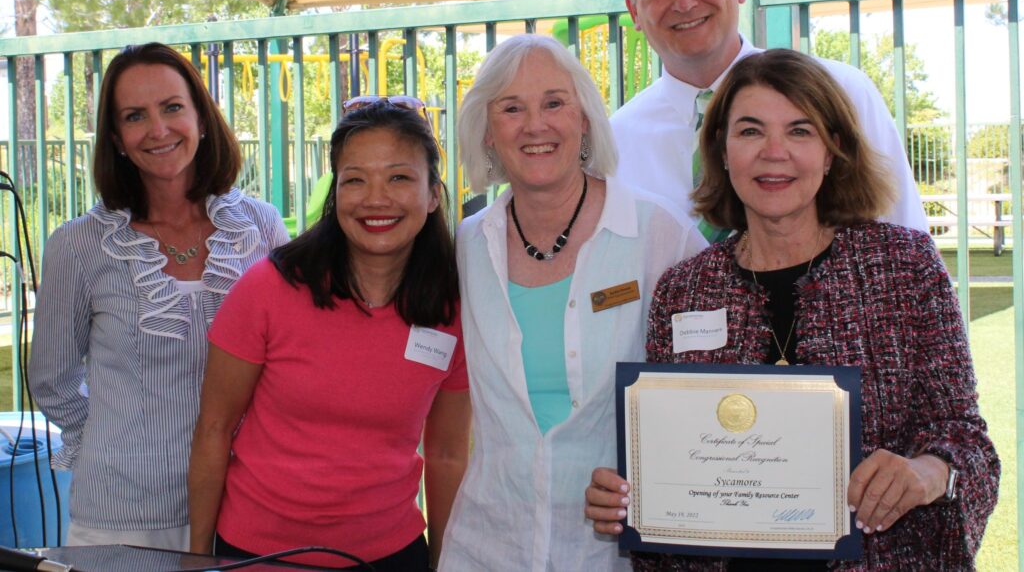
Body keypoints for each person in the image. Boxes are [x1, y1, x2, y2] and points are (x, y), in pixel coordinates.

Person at [584, 49, 999, 570]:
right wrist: (630, 498)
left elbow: (968, 442)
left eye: (800, 131)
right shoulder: (684, 290)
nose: (773, 152)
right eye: (751, 131)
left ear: (833, 151)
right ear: (722, 150)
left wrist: (928, 473)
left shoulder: (905, 267)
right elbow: (672, 468)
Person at [438, 34, 707, 571]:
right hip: (487, 548)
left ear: (584, 119)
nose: (535, 125)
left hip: (615, 554)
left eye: (554, 103)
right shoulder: (465, 248)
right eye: (511, 108)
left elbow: (710, 399)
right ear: (488, 132)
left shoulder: (660, 237)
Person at [188, 99, 470, 571]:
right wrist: (197, 558)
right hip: (260, 554)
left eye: (399, 177)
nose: (376, 199)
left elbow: (446, 454)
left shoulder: (451, 309)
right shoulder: (268, 290)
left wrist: (443, 560)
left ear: (434, 194)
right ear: (335, 193)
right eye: (355, 179)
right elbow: (214, 430)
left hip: (391, 555)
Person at [28, 42, 289, 550]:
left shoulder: (260, 227)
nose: (158, 129)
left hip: (247, 502)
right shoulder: (79, 245)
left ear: (202, 117)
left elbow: (292, 355)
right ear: (117, 139)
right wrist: (113, 444)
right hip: (122, 516)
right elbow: (52, 380)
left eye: (172, 107)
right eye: (134, 116)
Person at [611, 0, 927, 237]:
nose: (684, 2)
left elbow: (908, 238)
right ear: (634, 10)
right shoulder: (616, 144)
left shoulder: (841, 92)